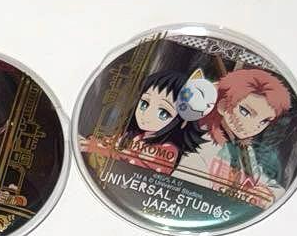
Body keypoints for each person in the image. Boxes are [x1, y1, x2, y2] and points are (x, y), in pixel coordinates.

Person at [174, 68, 294, 207]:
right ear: (222, 105)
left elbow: (262, 180)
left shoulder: (244, 149)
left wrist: (268, 194)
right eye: (245, 112)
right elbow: (186, 188)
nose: (253, 126)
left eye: (264, 121)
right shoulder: (202, 143)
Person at [79, 69, 209, 175]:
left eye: (163, 113)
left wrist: (97, 148)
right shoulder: (134, 134)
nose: (146, 115)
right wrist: (90, 143)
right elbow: (111, 143)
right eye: (144, 104)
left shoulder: (168, 150)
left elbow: (132, 169)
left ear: (183, 121)